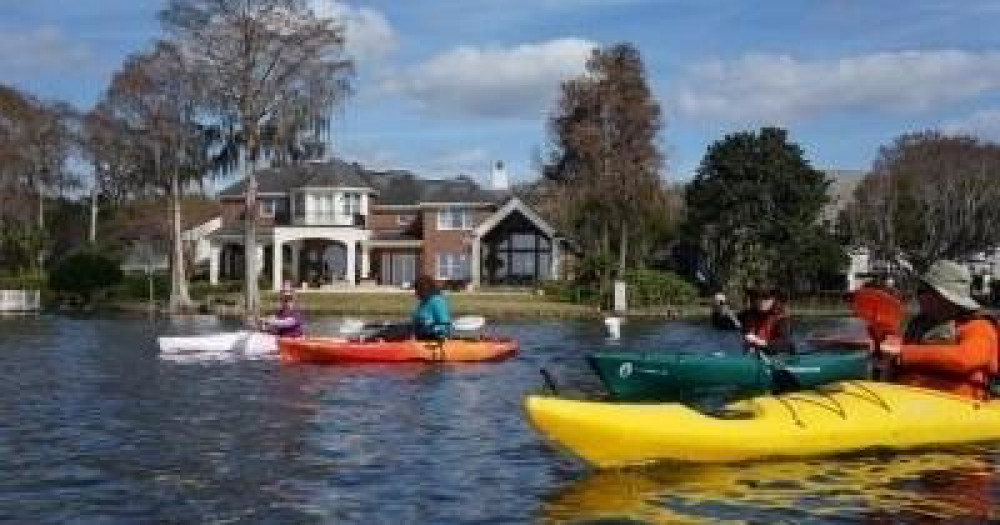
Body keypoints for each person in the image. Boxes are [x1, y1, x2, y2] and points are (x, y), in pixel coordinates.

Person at [879, 260, 998, 400]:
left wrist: (904, 352)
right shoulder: (918, 325)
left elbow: (964, 359)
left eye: (924, 291)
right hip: (910, 402)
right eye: (920, 290)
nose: (919, 296)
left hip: (958, 410)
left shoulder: (979, 326)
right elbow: (892, 363)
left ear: (945, 297)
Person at [737, 286, 795, 355]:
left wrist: (758, 341)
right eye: (758, 298)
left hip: (779, 356)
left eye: (766, 298)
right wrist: (722, 305)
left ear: (773, 299)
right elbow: (725, 322)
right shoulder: (748, 315)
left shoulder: (782, 317)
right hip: (753, 356)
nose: (762, 301)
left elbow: (785, 343)